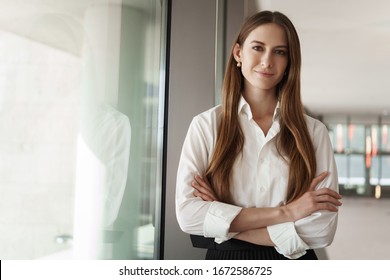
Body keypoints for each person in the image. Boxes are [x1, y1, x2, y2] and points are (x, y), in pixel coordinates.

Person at [175, 10, 342, 260]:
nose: (267, 61)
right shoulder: (206, 125)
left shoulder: (314, 132)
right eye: (258, 47)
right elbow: (188, 215)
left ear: (289, 62)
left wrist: (225, 222)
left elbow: (322, 229)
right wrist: (288, 212)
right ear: (238, 53)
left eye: (279, 51)